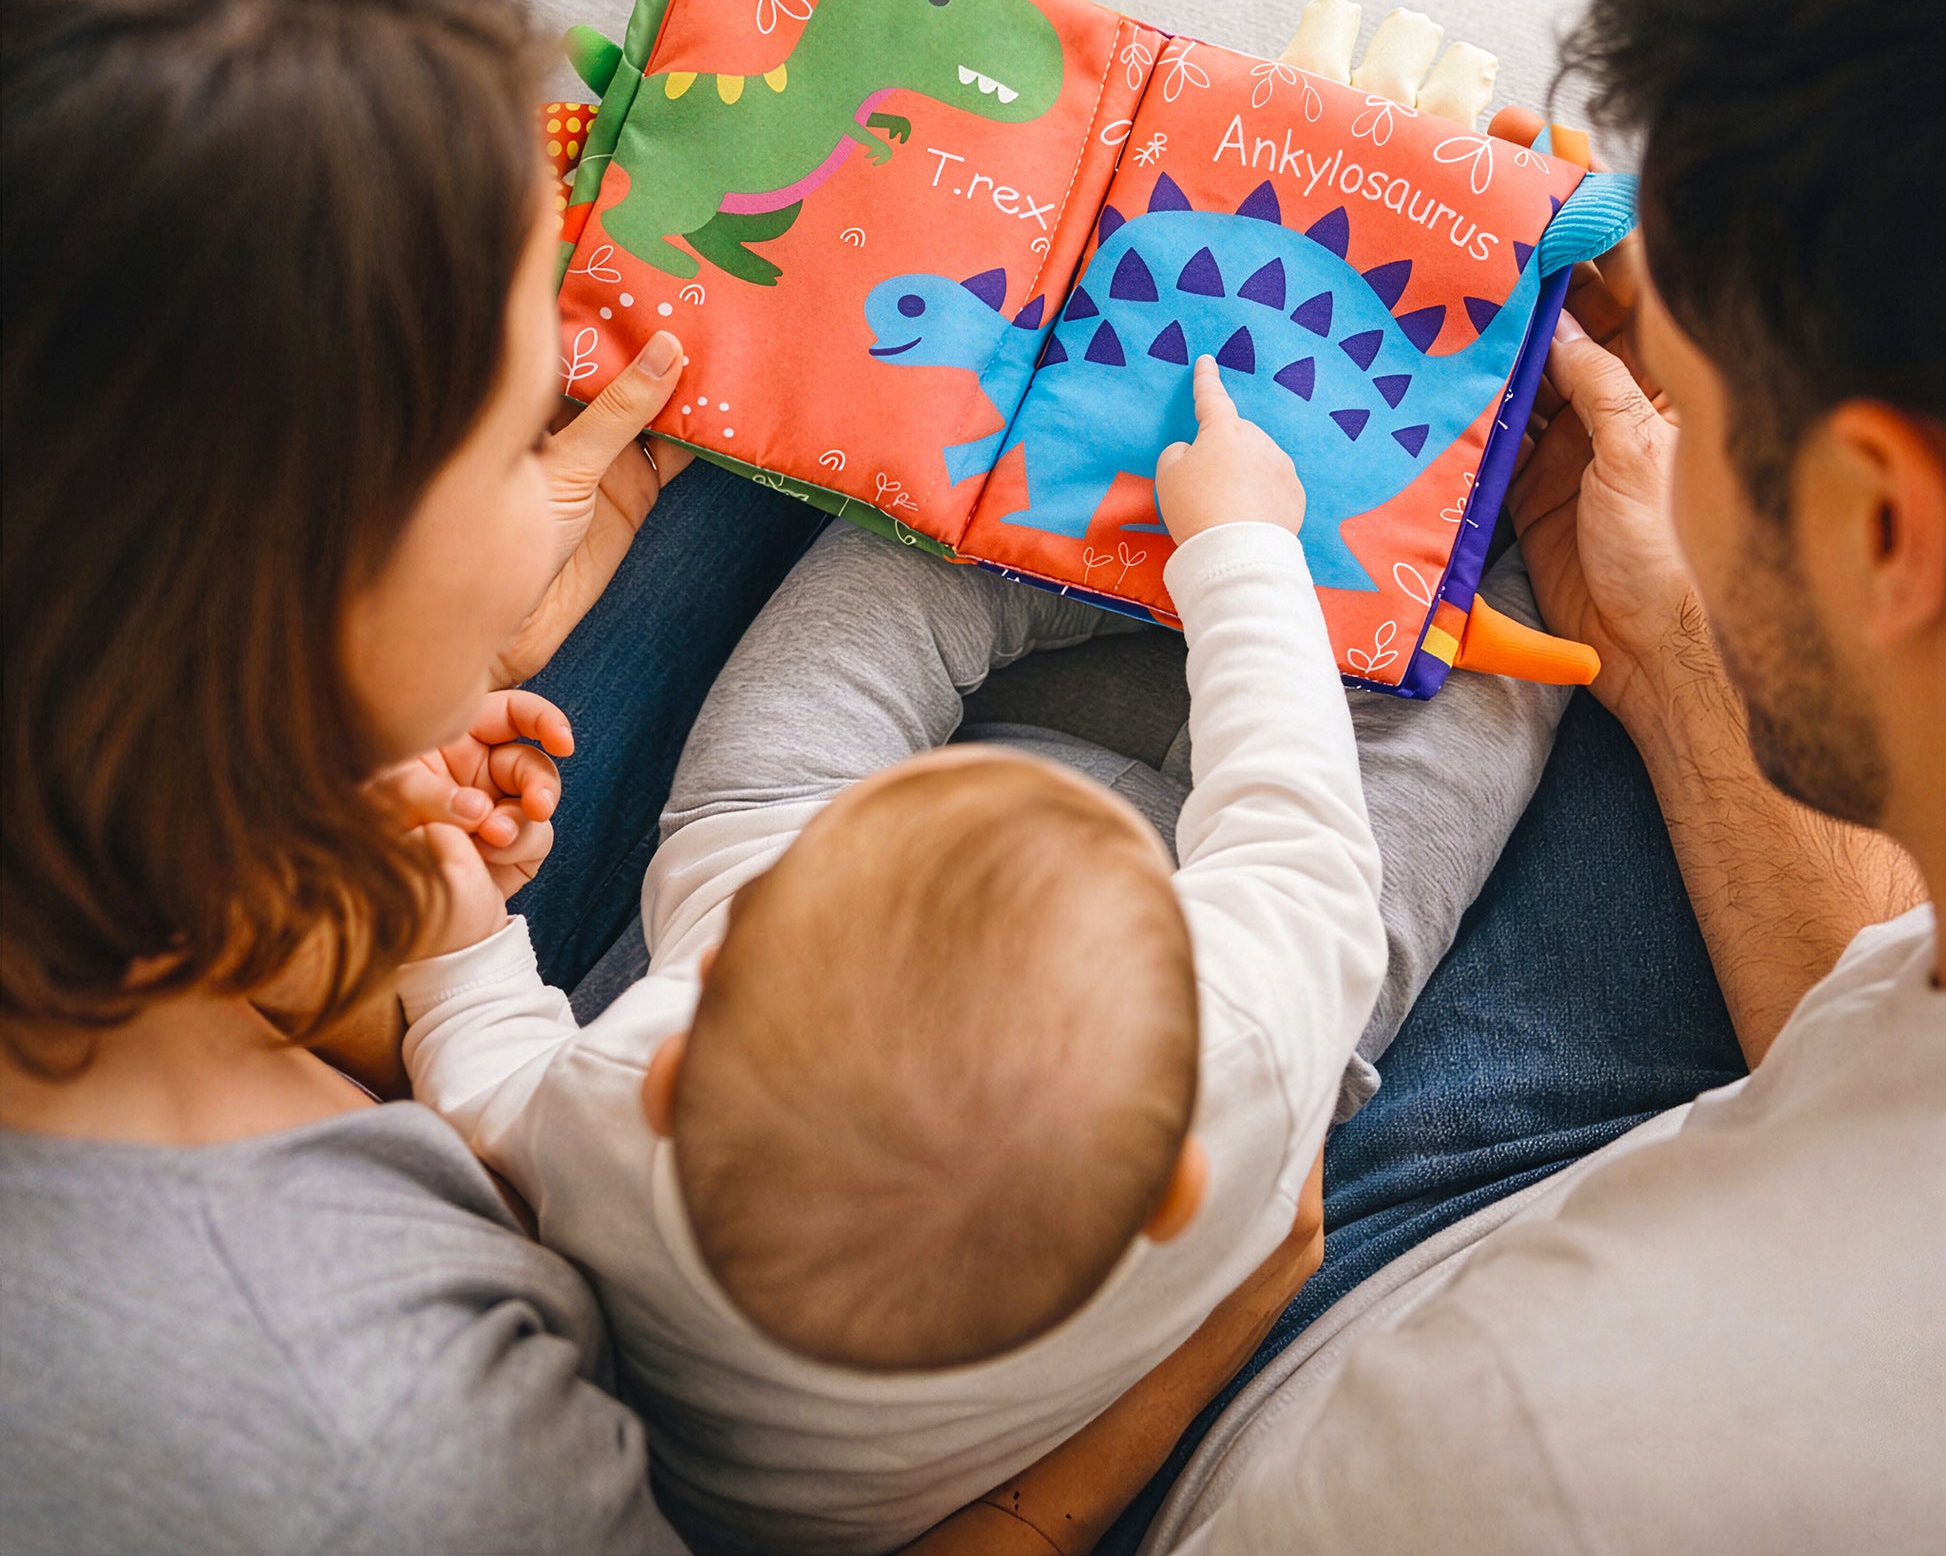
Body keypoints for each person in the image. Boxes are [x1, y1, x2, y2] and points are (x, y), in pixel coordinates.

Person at [0, 0, 1453, 1556]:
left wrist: (347, 876)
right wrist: (1192, 1355)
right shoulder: (383, 1453)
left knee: (839, 371)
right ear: (282, 595)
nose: (571, 441)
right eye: (523, 420)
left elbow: (480, 1069)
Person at [1126, 0, 1943, 1554]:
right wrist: (1672, 650)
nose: (1641, 397)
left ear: (1884, 525)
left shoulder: (1501, 1457)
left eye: (1692, 378)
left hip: (1272, 1340)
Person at [393, 349, 1568, 1554]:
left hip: (858, 887)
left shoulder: (605, 1125)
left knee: (829, 691)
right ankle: (1497, 535)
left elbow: (485, 1067)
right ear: (1178, 1189)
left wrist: (454, 939)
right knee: (1435, 764)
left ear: (667, 1072)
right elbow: (1296, 826)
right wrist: (1242, 551)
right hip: (1217, 984)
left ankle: (1037, 498)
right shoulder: (1244, 1065)